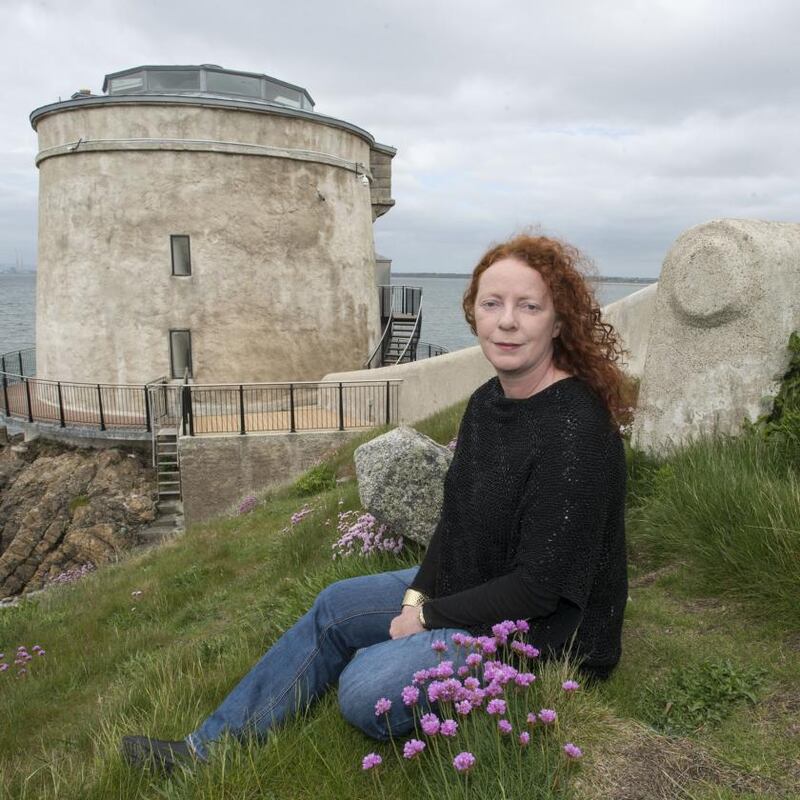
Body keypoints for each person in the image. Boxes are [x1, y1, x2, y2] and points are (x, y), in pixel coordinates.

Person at [122, 233, 629, 773]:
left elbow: (540, 587)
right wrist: (416, 598)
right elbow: (456, 523)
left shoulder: (577, 429)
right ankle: (207, 752)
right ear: (473, 314)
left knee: (364, 692)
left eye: (529, 306)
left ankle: (383, 663)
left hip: (541, 632)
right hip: (480, 583)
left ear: (557, 322)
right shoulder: (487, 403)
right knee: (335, 606)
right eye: (492, 303)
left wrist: (427, 617)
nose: (507, 321)